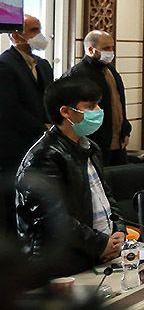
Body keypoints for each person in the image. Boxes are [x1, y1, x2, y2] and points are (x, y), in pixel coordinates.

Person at [14, 75, 125, 278]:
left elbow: (106, 197)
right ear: (65, 112)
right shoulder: (43, 157)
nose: (98, 111)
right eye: (90, 107)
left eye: (98, 105)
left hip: (97, 256)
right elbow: (52, 219)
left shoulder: (90, 147)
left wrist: (118, 229)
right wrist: (100, 244)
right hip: (61, 267)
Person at [0, 14, 54, 231]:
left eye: (39, 29)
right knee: (15, 201)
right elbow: (9, 109)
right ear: (15, 36)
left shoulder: (43, 65)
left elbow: (50, 99)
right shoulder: (4, 65)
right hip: (16, 146)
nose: (39, 35)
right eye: (33, 30)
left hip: (42, 144)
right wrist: (42, 128)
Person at [68, 30, 132, 168]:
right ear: (91, 50)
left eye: (112, 48)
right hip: (94, 142)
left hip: (118, 143)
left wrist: (125, 130)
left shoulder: (110, 70)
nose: (111, 52)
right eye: (106, 48)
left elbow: (119, 103)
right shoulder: (77, 74)